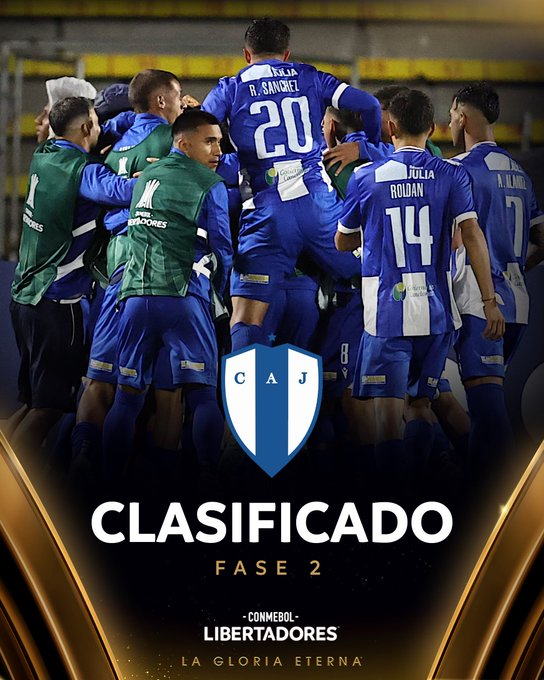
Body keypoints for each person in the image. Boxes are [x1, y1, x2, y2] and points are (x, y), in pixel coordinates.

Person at [335, 89, 504, 492]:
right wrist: (489, 300)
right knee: (422, 405)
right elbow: (471, 235)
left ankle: (396, 505)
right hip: (437, 313)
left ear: (390, 127)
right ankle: (445, 487)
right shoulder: (451, 174)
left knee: (387, 417)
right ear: (431, 128)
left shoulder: (366, 177)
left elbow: (341, 241)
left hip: (388, 316)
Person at [202, 17, 382, 351]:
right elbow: (369, 105)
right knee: (376, 275)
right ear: (286, 54)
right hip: (319, 206)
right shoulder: (310, 76)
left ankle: (252, 386)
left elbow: (202, 132)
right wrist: (367, 145)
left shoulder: (231, 87)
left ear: (246, 54)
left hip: (266, 210)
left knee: (246, 317)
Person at [101, 109, 232, 485]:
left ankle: (105, 484)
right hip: (183, 297)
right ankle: (209, 481)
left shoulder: (145, 177)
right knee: (203, 397)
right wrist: (218, 293)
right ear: (184, 144)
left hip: (134, 298)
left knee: (127, 398)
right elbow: (223, 249)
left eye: (219, 142)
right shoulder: (209, 184)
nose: (218, 151)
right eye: (209, 142)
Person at [8, 96, 136, 462]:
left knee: (33, 403)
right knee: (47, 410)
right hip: (57, 304)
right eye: (96, 123)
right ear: (86, 128)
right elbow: (121, 192)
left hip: (25, 298)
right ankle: (13, 488)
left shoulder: (45, 154)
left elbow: (82, 134)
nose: (100, 128)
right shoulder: (83, 172)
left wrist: (126, 120)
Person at [72, 69, 184, 473]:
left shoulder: (108, 149)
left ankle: (84, 459)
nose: (181, 102)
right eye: (177, 96)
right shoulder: (174, 140)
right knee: (168, 390)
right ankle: (158, 478)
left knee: (99, 377)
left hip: (115, 267)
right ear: (161, 101)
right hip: (163, 264)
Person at [448, 81, 544, 481]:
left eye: (451, 115)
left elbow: (458, 237)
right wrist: (515, 269)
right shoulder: (519, 172)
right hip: (516, 302)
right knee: (463, 403)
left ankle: (510, 495)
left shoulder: (461, 169)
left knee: (486, 410)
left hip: (482, 305)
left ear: (463, 117)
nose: (449, 123)